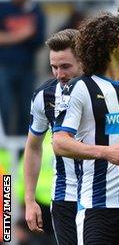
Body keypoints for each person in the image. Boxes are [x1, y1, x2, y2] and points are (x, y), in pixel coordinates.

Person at [52, 9, 119, 244]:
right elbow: (59, 142)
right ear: (111, 44)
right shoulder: (80, 88)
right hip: (96, 206)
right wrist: (106, 152)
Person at [23, 29, 83, 244]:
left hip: (104, 195)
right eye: (54, 67)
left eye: (66, 66)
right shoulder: (44, 95)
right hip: (64, 196)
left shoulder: (103, 88)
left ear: (83, 59)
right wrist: (29, 201)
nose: (59, 74)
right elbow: (33, 146)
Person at [0, 0, 46, 135]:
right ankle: (6, 146)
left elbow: (39, 39)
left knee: (26, 110)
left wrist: (9, 37)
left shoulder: (36, 11)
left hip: (27, 68)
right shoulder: (4, 7)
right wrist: (23, 34)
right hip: (5, 66)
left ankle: (22, 149)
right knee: (5, 108)